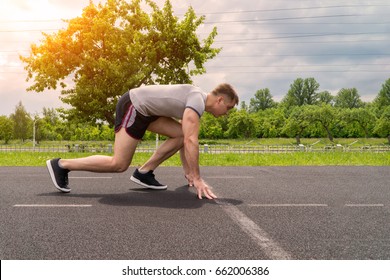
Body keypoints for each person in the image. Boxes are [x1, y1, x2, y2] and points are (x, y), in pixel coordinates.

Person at [46, 83, 239, 199]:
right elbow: (191, 141)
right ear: (220, 100)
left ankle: (144, 172)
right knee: (118, 164)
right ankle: (62, 164)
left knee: (179, 133)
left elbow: (184, 138)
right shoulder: (196, 101)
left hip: (148, 112)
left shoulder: (196, 100)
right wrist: (197, 179)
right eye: (228, 108)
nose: (226, 113)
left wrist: (188, 172)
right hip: (134, 106)